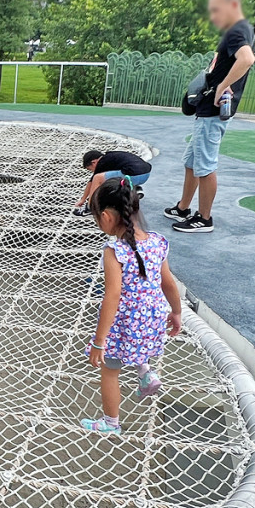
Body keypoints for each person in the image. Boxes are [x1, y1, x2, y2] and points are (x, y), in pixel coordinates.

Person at [82, 177, 182, 436]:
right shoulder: (157, 241)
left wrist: (99, 340)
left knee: (110, 370)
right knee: (138, 337)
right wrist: (177, 311)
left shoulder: (114, 250)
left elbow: (112, 296)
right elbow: (168, 282)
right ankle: (146, 373)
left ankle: (111, 423)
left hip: (127, 322)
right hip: (154, 317)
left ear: (105, 216)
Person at [164, 0, 255, 234]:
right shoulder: (238, 31)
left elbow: (247, 59)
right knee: (192, 161)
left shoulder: (238, 30)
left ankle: (204, 218)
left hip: (213, 112)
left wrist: (222, 87)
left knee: (204, 164)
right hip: (206, 110)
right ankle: (184, 207)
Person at [76, 149, 152, 209]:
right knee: (114, 177)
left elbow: (91, 182)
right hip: (146, 173)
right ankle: (135, 189)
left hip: (133, 175)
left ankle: (90, 207)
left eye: (90, 169)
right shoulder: (111, 157)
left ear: (94, 162)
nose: (93, 171)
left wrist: (83, 199)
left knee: (97, 178)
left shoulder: (101, 163)